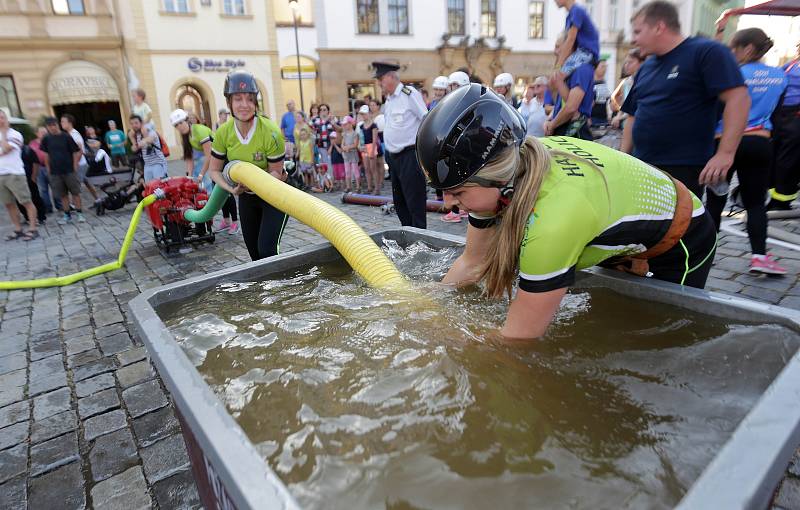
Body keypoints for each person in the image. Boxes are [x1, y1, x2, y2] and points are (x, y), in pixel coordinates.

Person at [416, 84, 717, 339]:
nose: (448, 204)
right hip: (623, 227)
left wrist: (448, 338)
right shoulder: (510, 170)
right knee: (607, 328)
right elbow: (472, 262)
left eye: (457, 192)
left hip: (683, 237)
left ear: (498, 175)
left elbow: (517, 338)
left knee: (657, 338)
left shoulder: (553, 222)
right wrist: (430, 304)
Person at [620, 1, 749, 198]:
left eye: (638, 32)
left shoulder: (706, 52)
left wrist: (725, 153)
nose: (633, 39)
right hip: (642, 163)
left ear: (659, 27)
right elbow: (632, 114)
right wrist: (623, 158)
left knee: (678, 227)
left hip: (683, 168)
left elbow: (738, 99)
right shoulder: (646, 67)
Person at [704, 26, 787, 275]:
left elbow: (717, 109)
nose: (730, 52)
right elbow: (778, 112)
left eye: (733, 48)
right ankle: (759, 256)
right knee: (755, 204)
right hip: (759, 143)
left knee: (715, 202)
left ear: (747, 49)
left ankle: (705, 252)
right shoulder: (779, 76)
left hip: (725, 141)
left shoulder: (733, 74)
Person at [209, 70, 289, 261]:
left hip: (275, 194)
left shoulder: (270, 131)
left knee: (267, 251)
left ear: (256, 102)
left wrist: (254, 183)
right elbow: (214, 170)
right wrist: (231, 189)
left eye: (249, 99)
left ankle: (281, 289)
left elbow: (277, 173)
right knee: (254, 255)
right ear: (229, 102)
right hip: (245, 196)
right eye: (238, 99)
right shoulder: (223, 133)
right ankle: (266, 291)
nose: (244, 105)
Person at [374, 61, 428, 228]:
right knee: (400, 201)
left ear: (391, 77)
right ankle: (408, 232)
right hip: (393, 157)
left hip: (409, 155)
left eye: (381, 79)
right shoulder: (389, 99)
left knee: (415, 201)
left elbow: (426, 119)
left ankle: (419, 236)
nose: (379, 83)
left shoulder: (408, 93)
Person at [544, 32, 595, 140]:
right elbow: (563, 105)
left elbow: (571, 107)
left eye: (558, 47)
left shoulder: (582, 69)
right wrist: (550, 120)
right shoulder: (568, 72)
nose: (555, 51)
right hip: (564, 130)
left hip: (575, 133)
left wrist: (552, 124)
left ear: (570, 46)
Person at [768, 41, 800, 210]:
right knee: (776, 157)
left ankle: (782, 201)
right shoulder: (790, 65)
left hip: (796, 117)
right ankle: (775, 197)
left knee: (788, 160)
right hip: (781, 114)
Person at [0, 108, 39, 240]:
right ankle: (18, 229)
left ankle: (33, 228)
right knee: (8, 204)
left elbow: (5, 149)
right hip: (1, 175)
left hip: (15, 173)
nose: (0, 121)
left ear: (7, 120)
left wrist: (4, 133)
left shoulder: (15, 134)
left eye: (2, 117)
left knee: (26, 201)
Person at [40, 116, 84, 225]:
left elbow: (75, 151)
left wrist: (75, 165)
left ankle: (79, 214)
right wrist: (48, 168)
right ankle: (67, 215)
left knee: (75, 192)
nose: (52, 128)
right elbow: (46, 154)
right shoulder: (46, 139)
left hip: (69, 170)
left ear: (57, 125)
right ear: (47, 127)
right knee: (62, 195)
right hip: (55, 172)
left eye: (54, 125)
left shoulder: (66, 137)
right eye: (49, 126)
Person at [553, 0, 600, 75]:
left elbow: (570, 40)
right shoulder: (570, 16)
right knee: (557, 77)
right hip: (580, 53)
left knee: (558, 77)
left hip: (587, 53)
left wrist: (558, 65)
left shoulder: (577, 11)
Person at [61, 114, 99, 202]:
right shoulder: (69, 134)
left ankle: (75, 204)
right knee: (87, 183)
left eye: (63, 121)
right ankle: (98, 199)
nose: (61, 123)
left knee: (74, 185)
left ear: (69, 123)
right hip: (79, 163)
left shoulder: (74, 134)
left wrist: (75, 164)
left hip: (79, 164)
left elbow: (80, 150)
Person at [609, 48, 646, 129]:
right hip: (625, 126)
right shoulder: (626, 82)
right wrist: (618, 116)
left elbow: (637, 109)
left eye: (630, 62)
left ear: (642, 63)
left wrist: (619, 118)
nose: (626, 65)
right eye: (626, 62)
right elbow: (626, 105)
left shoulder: (644, 82)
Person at [129, 114, 168, 182]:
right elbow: (133, 149)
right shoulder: (138, 135)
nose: (134, 125)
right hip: (147, 165)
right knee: (149, 187)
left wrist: (139, 143)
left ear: (141, 123)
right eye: (132, 124)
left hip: (158, 163)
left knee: (159, 186)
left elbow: (149, 139)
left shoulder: (151, 132)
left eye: (136, 123)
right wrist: (132, 139)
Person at [18, 140, 47, 226]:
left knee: (35, 197)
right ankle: (27, 217)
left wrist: (34, 177)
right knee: (20, 200)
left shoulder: (27, 150)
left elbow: (36, 163)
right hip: (17, 180)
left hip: (29, 179)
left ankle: (41, 217)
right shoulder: (12, 152)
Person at [29, 126, 56, 214]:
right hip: (39, 168)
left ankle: (60, 205)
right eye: (42, 132)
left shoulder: (51, 141)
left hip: (51, 166)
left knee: (55, 187)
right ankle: (48, 207)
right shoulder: (32, 143)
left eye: (45, 132)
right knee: (43, 189)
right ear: (37, 134)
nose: (44, 134)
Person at [358, 105, 381, 195]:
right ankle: (369, 187)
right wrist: (360, 146)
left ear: (369, 114)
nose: (363, 116)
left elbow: (374, 139)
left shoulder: (373, 125)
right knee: (367, 168)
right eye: (362, 114)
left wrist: (372, 151)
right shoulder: (361, 126)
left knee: (373, 168)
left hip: (372, 146)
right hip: (365, 147)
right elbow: (361, 138)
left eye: (364, 114)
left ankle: (377, 188)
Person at [312, 103, 336, 183]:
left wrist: (331, 147)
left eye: (324, 110)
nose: (322, 111)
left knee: (329, 165)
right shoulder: (316, 121)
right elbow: (310, 128)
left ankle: (331, 182)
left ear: (328, 111)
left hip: (328, 147)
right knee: (321, 166)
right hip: (319, 147)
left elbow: (334, 135)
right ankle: (323, 183)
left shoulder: (332, 121)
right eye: (321, 110)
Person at [340, 116, 362, 193]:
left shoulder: (355, 134)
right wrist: (343, 147)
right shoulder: (344, 134)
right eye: (344, 125)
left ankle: (358, 186)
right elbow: (342, 144)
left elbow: (355, 144)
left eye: (346, 124)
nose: (344, 126)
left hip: (353, 155)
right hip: (346, 156)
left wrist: (347, 147)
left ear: (350, 124)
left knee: (355, 171)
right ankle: (348, 186)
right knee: (347, 171)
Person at [590, 59, 611, 128]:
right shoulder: (590, 83)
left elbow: (606, 101)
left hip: (604, 119)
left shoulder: (603, 82)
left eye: (606, 67)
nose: (605, 69)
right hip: (592, 119)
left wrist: (608, 116)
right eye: (602, 66)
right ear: (595, 68)